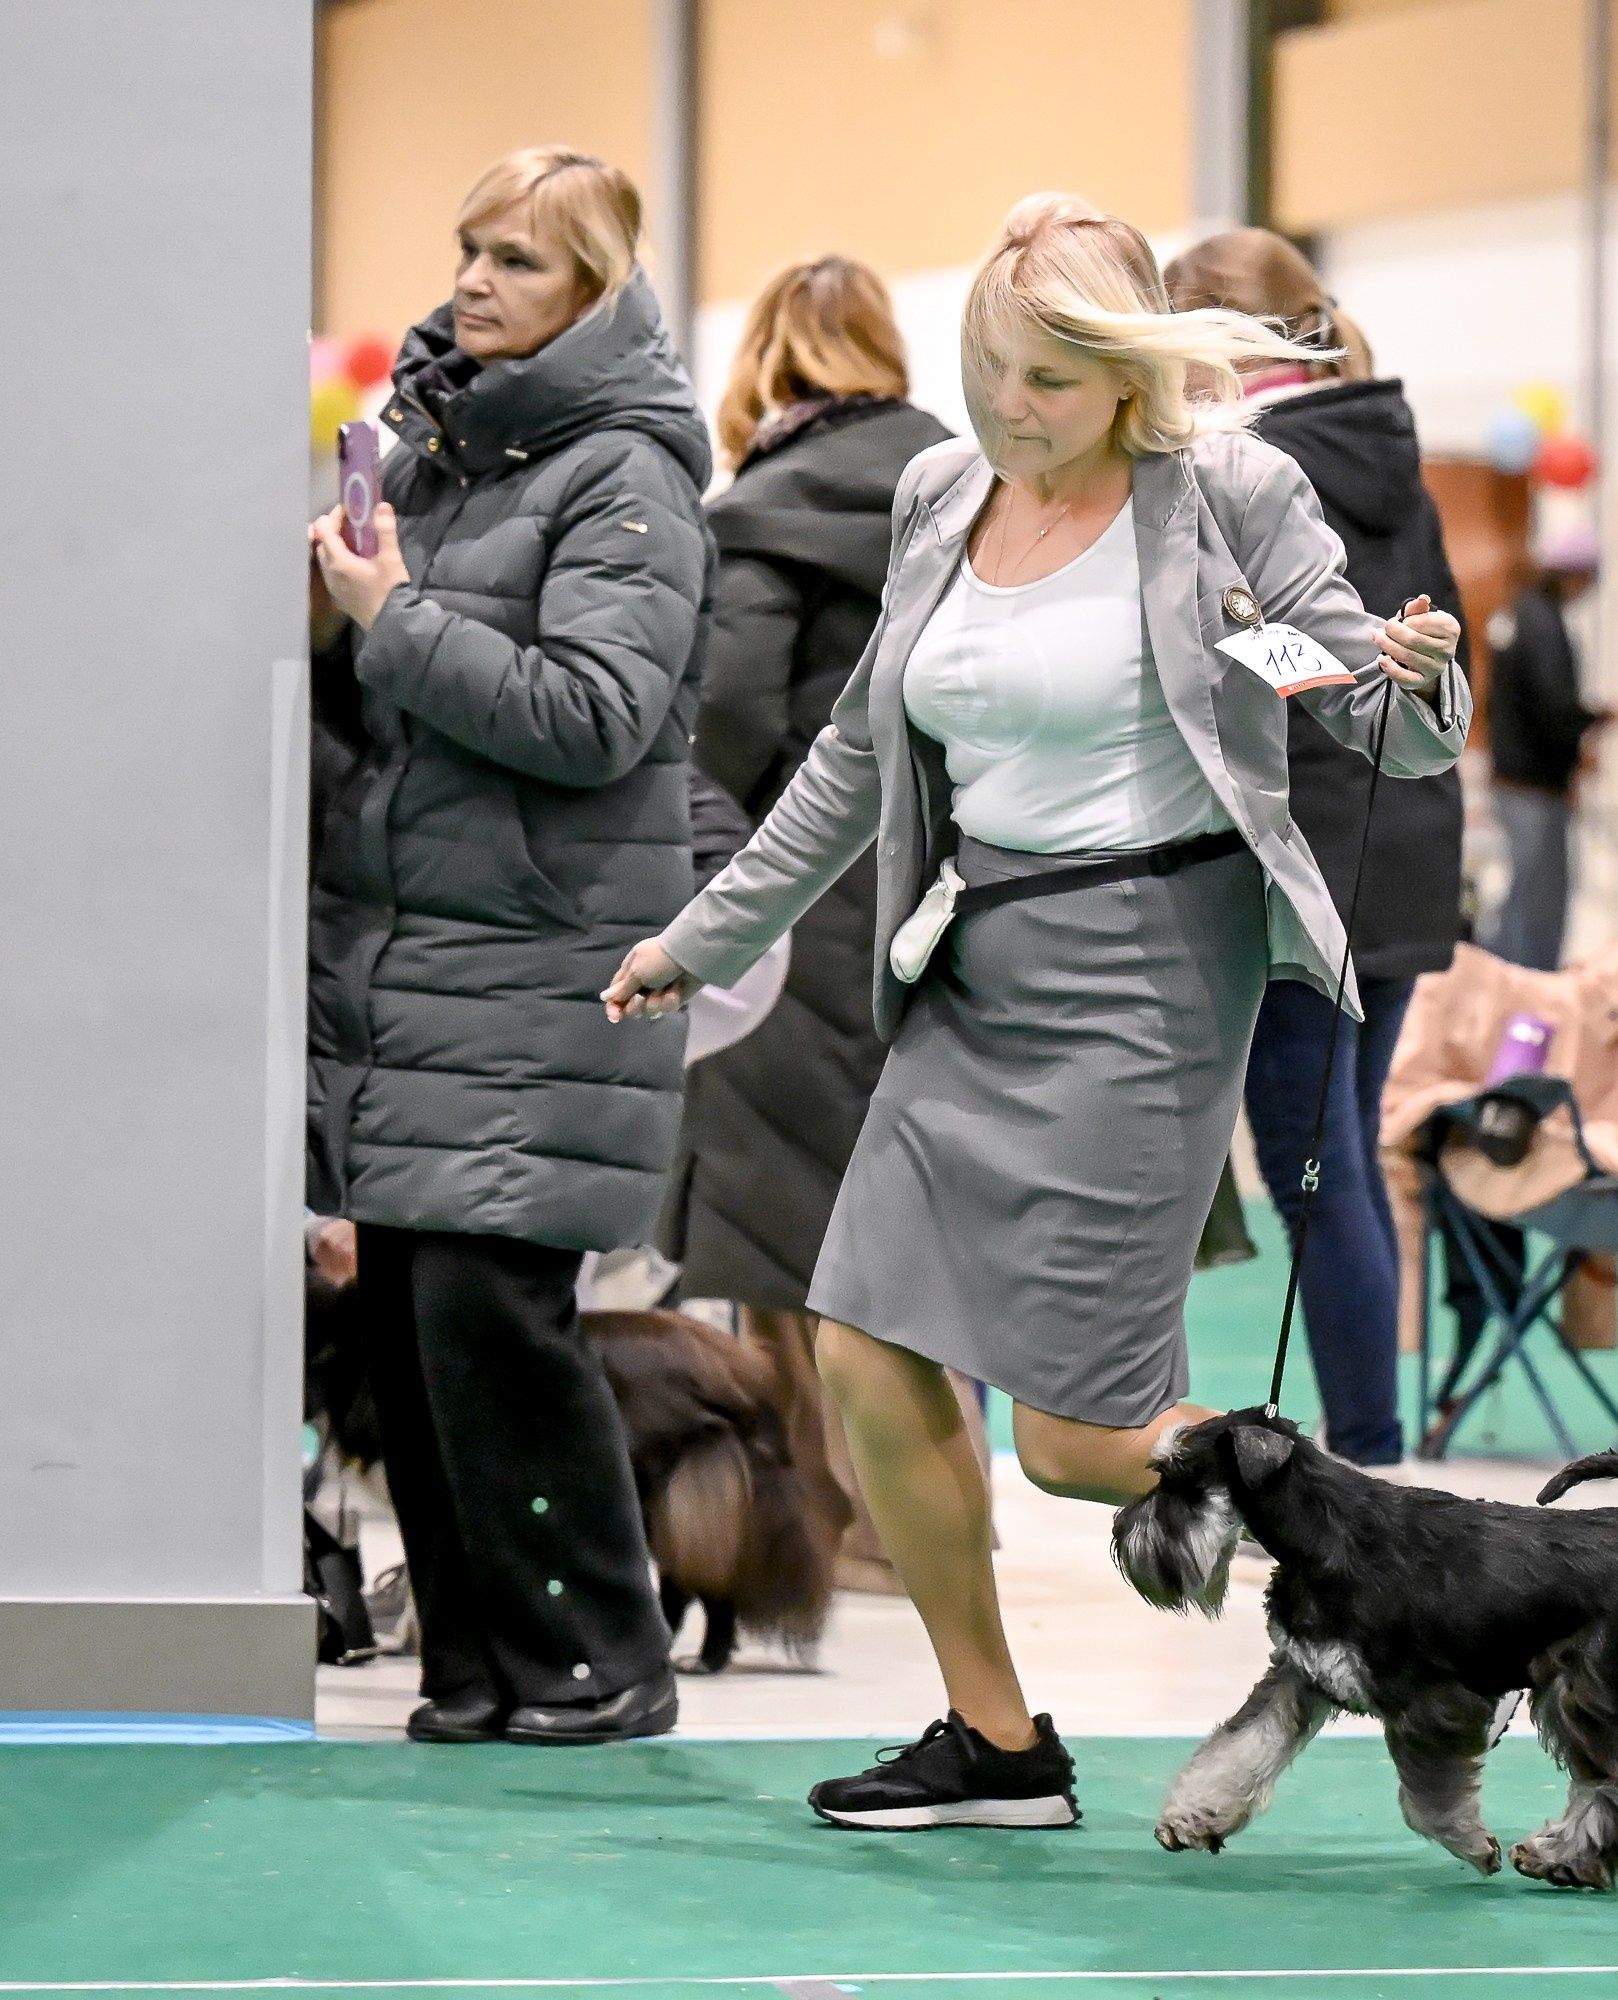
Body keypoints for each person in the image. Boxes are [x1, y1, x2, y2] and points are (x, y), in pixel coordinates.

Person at [603, 194, 1467, 1826]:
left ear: (1129, 373)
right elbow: (855, 766)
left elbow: (1381, 727)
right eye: (991, 370)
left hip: (1149, 973)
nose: (1013, 409)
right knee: (863, 1345)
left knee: (1078, 1444)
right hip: (970, 965)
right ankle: (998, 1743)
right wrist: (702, 941)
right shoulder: (941, 493)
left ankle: (1419, 1571)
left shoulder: (1226, 498)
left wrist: (1416, 676)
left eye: (1052, 381)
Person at [307, 146, 712, 1746]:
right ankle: (478, 1667)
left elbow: (596, 715)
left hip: (543, 972)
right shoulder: (437, 455)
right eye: (470, 248)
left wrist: (392, 618)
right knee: (413, 1335)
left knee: (494, 1327)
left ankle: (605, 1663)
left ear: (597, 292)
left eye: (521, 262)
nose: (474, 281)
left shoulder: (627, 474)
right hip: (415, 976)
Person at [658, 254, 966, 1568]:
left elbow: (723, 717)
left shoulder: (758, 518)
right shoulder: (971, 494)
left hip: (798, 894)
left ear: (765, 365)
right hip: (942, 888)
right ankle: (948, 1525)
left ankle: (827, 1524)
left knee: (778, 1235)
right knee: (917, 1231)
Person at [1162, 228, 1468, 1467]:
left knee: (1318, 1166)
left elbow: (1288, 651)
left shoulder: (1246, 464)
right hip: (1403, 848)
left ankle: (1370, 1459)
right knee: (1343, 1154)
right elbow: (1425, 660)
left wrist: (1263, 651)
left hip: (1312, 855)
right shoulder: (1393, 451)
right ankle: (1377, 1442)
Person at [1486, 536, 1604, 970]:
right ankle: (1527, 990)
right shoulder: (1542, 623)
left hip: (1522, 775)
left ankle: (1516, 981)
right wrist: (1588, 724)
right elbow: (1552, 705)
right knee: (1538, 894)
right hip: (1533, 781)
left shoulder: (1522, 613)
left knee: (1529, 887)